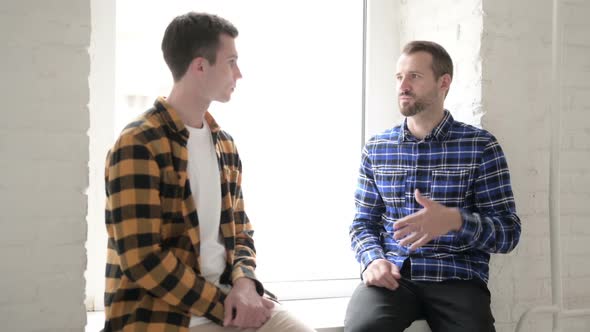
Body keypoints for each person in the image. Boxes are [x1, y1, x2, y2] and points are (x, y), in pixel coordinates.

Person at [103, 12, 313, 332]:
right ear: (200, 66)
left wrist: (244, 285)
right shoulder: (139, 143)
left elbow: (240, 232)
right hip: (162, 314)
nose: (239, 73)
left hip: (231, 298)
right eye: (231, 61)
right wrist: (223, 305)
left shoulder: (224, 145)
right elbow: (143, 260)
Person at [344, 41, 521, 332]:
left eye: (414, 76)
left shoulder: (480, 147)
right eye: (399, 77)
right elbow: (363, 223)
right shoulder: (377, 148)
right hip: (394, 276)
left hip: (457, 279)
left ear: (444, 82)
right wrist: (372, 260)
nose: (403, 85)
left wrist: (454, 221)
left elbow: (509, 233)